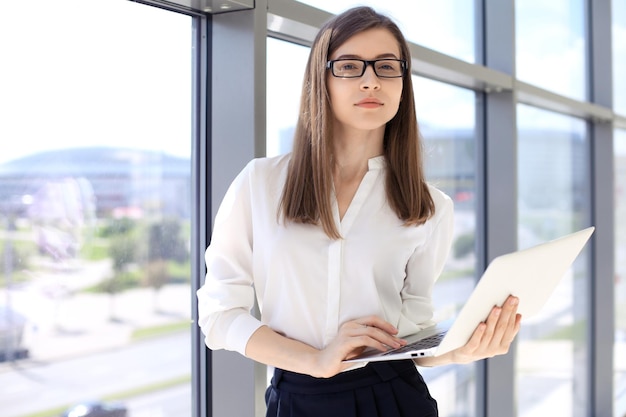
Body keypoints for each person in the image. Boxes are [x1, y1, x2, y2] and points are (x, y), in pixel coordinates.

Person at [197, 6, 521, 417]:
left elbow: (411, 338)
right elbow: (219, 315)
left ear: (403, 84)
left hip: (394, 397)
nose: (371, 80)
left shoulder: (429, 207)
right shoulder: (260, 183)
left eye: (387, 67)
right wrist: (315, 360)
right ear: (322, 78)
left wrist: (458, 351)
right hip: (296, 397)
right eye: (350, 66)